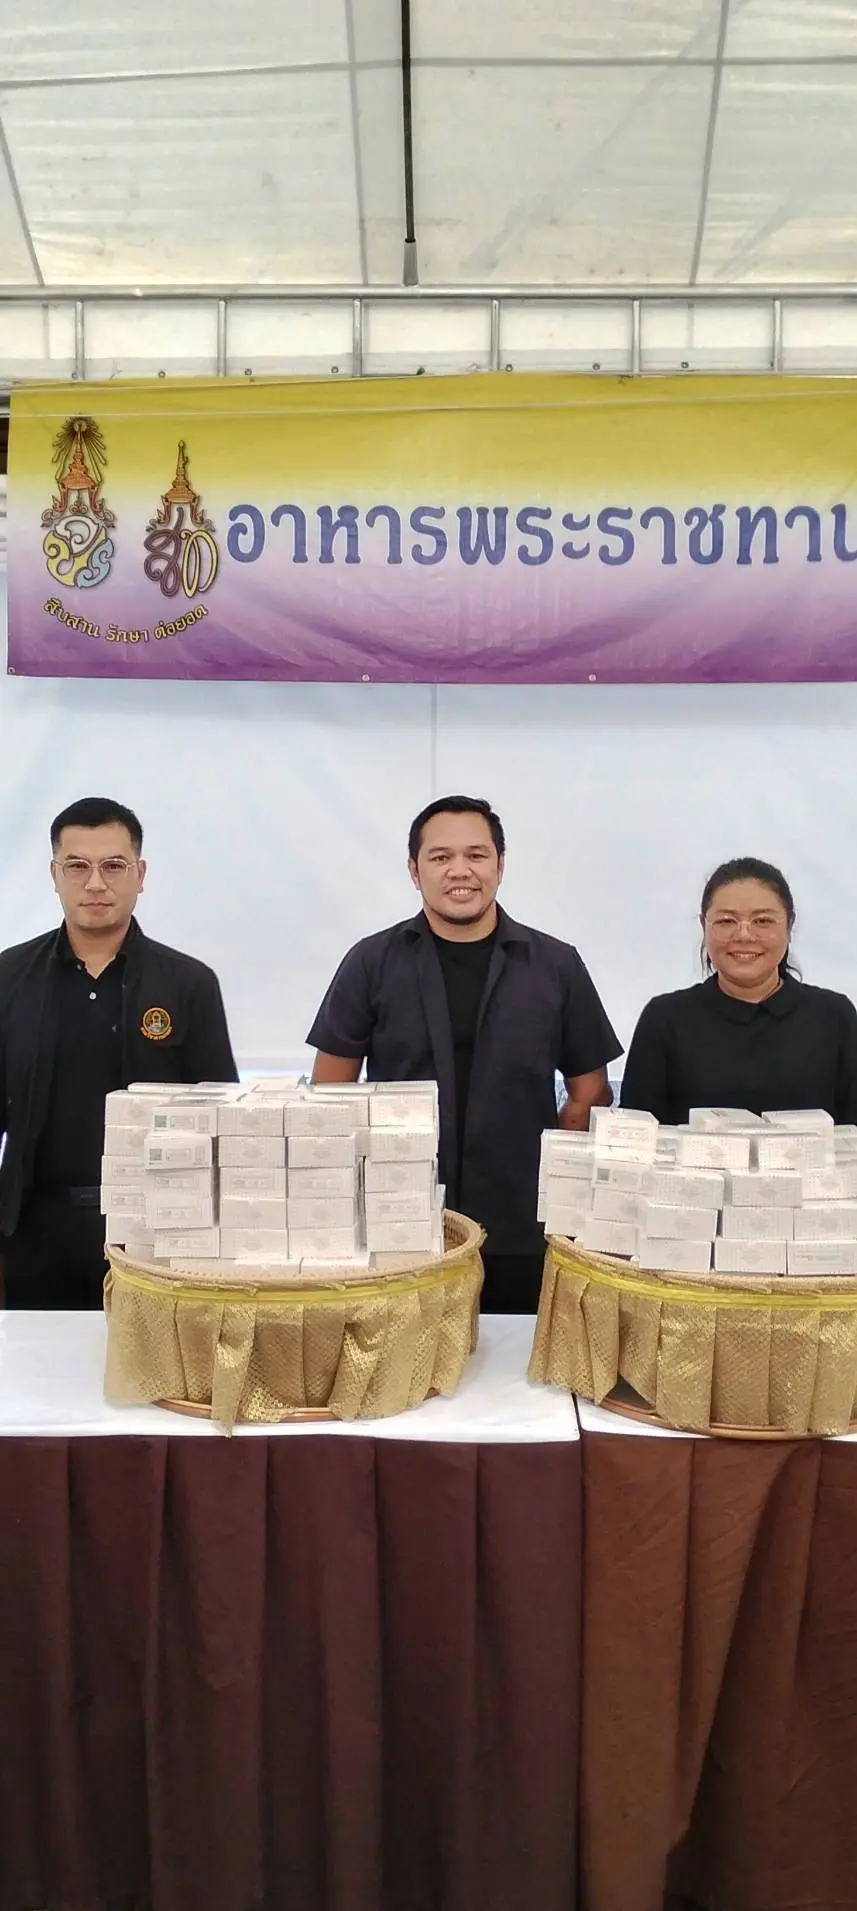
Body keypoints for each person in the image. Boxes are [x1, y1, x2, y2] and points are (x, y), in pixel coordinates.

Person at [307, 795, 621, 1312]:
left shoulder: (555, 965)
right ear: (415, 870)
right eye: (440, 857)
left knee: (518, 1357)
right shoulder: (371, 962)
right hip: (400, 1226)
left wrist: (556, 1185)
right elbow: (329, 1096)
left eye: (476, 855)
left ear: (500, 864)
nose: (460, 871)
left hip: (524, 1226)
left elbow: (590, 1092)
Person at [0, 796, 238, 1310]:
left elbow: (221, 1122)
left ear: (140, 874)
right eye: (77, 866)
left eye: (113, 866)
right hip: (33, 1232)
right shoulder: (8, 978)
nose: (95, 883)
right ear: (54, 874)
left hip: (158, 1236)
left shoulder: (189, 984)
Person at [621, 855, 857, 1124]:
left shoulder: (835, 1016)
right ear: (703, 925)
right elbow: (634, 1137)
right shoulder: (664, 1020)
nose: (744, 935)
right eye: (726, 921)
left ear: (790, 925)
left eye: (762, 921)